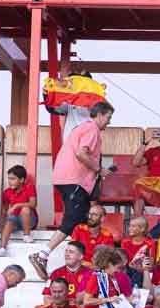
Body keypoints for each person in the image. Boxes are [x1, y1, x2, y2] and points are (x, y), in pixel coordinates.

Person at [33, 100, 114, 273]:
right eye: (108, 117)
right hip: (74, 180)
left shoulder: (82, 127)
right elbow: (81, 153)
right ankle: (43, 254)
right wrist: (99, 169)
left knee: (85, 220)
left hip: (69, 179)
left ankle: (88, 263)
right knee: (72, 220)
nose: (109, 121)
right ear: (99, 115)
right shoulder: (92, 129)